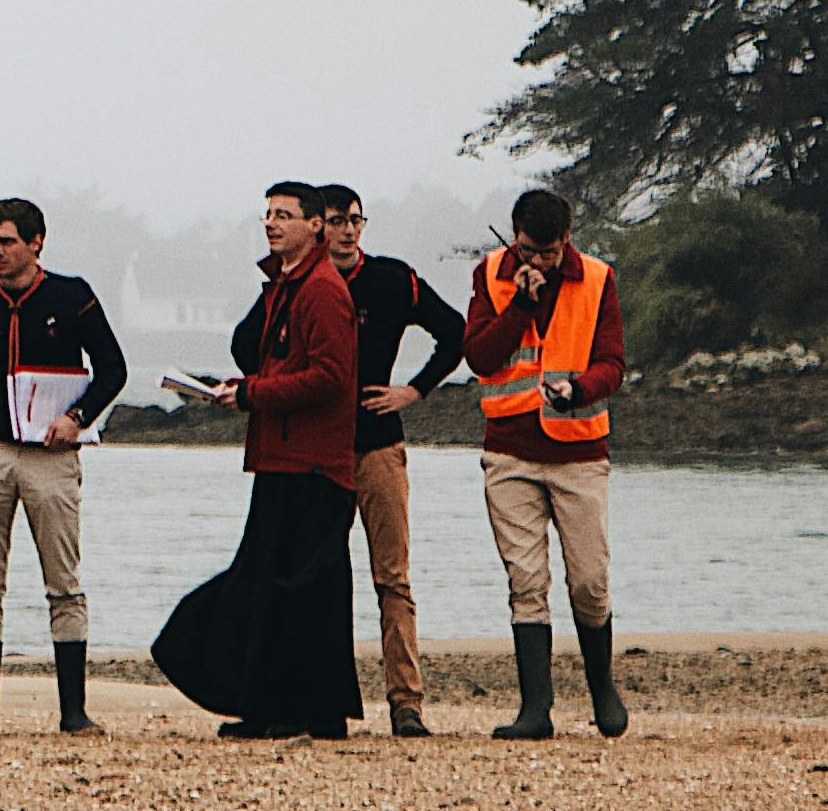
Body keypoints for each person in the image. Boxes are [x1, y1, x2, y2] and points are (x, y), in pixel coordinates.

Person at [152, 180, 361, 738]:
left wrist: (251, 395)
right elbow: (263, 353)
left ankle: (305, 712)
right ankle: (289, 708)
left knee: (297, 587)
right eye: (268, 214)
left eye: (285, 215)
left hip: (312, 464)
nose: (271, 223)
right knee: (279, 584)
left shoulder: (320, 290)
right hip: (284, 458)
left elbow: (331, 378)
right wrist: (244, 386)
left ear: (316, 224)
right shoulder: (290, 285)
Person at [0, 194, 125, 733]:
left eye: (7, 242)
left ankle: (74, 711)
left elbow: (113, 369)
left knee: (64, 582)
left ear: (35, 242)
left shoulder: (73, 297)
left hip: (52, 455)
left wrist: (78, 416)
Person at [466, 186, 632, 740]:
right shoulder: (490, 275)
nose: (538, 261)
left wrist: (579, 388)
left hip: (579, 448)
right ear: (515, 237)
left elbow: (613, 363)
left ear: (567, 239)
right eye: (529, 251)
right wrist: (519, 304)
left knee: (589, 580)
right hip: (508, 448)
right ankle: (535, 710)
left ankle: (602, 688)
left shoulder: (600, 278)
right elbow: (481, 357)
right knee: (526, 580)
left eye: (549, 252)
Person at [317, 185, 468, 739]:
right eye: (337, 221)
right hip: (319, 450)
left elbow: (455, 333)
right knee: (321, 578)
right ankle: (323, 700)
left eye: (356, 220)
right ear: (318, 227)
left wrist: (414, 390)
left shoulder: (392, 278)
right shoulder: (305, 284)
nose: (349, 230)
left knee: (393, 578)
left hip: (379, 444)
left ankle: (406, 703)